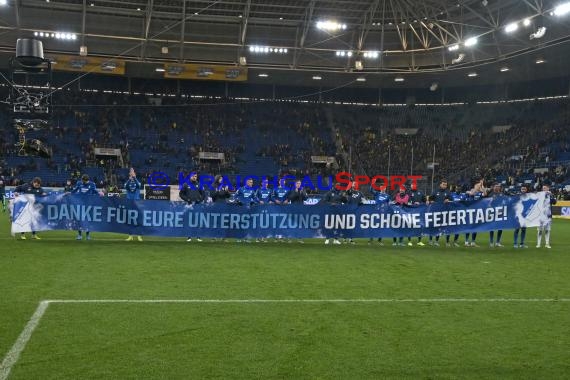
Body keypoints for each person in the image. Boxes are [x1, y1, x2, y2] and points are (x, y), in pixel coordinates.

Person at [71, 174, 98, 240]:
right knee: (79, 220)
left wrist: (100, 194)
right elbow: (74, 191)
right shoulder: (79, 183)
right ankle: (79, 235)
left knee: (88, 220)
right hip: (80, 204)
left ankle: (88, 235)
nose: (83, 182)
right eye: (82, 181)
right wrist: (69, 193)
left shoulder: (92, 184)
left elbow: (95, 192)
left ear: (87, 180)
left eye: (84, 181)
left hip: (88, 205)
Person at [179, 172, 205, 242]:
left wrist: (199, 200)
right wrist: (187, 199)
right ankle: (188, 237)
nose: (194, 177)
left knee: (198, 221)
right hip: (189, 205)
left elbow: (203, 194)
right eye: (193, 176)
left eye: (196, 176)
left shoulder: (199, 185)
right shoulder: (185, 184)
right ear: (190, 177)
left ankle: (198, 237)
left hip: (197, 206)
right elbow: (181, 194)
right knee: (189, 222)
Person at [428, 179, 452, 246]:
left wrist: (448, 199)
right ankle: (430, 240)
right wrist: (431, 201)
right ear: (440, 184)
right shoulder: (435, 191)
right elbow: (430, 199)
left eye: (446, 185)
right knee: (433, 226)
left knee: (446, 227)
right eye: (443, 184)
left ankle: (440, 241)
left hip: (445, 212)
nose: (445, 186)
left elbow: (452, 199)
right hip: (436, 212)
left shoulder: (448, 192)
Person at [124, 168, 143, 241]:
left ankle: (139, 236)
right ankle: (130, 236)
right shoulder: (127, 182)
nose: (132, 174)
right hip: (129, 203)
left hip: (137, 203)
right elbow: (125, 186)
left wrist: (134, 178)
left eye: (133, 173)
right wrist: (129, 179)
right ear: (129, 175)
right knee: (129, 220)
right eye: (131, 173)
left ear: (135, 174)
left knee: (138, 219)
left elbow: (139, 185)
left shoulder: (137, 182)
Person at [537, 184, 557, 249]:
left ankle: (547, 243)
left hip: (548, 216)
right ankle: (538, 244)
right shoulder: (540, 196)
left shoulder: (550, 196)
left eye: (545, 188)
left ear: (548, 188)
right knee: (540, 230)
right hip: (540, 216)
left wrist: (551, 195)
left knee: (547, 230)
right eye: (543, 188)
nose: (544, 189)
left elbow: (554, 202)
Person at [488, 183, 504, 247]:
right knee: (492, 227)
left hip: (500, 212)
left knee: (500, 227)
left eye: (498, 186)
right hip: (492, 212)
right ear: (493, 187)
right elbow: (488, 203)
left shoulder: (502, 194)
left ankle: (498, 242)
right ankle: (491, 242)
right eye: (496, 186)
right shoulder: (491, 194)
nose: (497, 187)